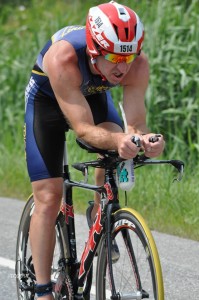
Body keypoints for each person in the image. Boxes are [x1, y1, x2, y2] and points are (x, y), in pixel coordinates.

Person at [24, 1, 165, 299]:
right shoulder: (63, 56)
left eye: (128, 56)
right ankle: (41, 289)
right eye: (113, 57)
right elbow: (84, 129)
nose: (122, 67)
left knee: (118, 142)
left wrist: (145, 140)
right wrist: (119, 140)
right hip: (48, 101)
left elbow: (135, 124)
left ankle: (100, 212)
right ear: (93, 50)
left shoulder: (135, 64)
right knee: (49, 197)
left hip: (91, 95)